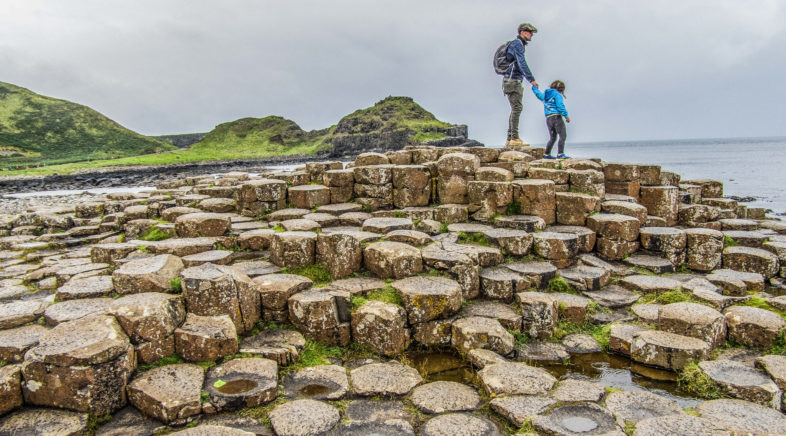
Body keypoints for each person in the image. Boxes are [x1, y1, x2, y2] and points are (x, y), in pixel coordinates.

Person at [503, 22, 539, 147]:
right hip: (512, 80)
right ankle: (514, 138)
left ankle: (510, 138)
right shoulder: (518, 45)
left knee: (515, 108)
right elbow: (521, 63)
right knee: (517, 108)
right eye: (530, 33)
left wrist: (521, 81)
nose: (531, 36)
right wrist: (531, 79)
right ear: (523, 32)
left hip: (511, 80)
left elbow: (515, 65)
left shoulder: (516, 44)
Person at [532, 80, 571, 159]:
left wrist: (534, 88)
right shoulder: (557, 95)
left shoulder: (546, 95)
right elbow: (560, 106)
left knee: (553, 137)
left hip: (549, 119)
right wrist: (566, 116)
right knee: (563, 136)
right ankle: (560, 154)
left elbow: (538, 94)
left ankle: (547, 154)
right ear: (561, 89)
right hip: (557, 117)